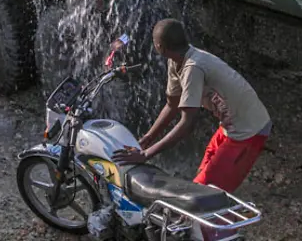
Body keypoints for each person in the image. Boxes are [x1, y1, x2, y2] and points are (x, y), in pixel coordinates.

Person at [112, 19, 271, 193]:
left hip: (249, 131)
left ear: (159, 46)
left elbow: (187, 124)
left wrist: (145, 155)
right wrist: (146, 140)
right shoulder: (176, 61)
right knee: (201, 181)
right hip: (230, 127)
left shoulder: (194, 67)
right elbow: (172, 105)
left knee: (206, 194)